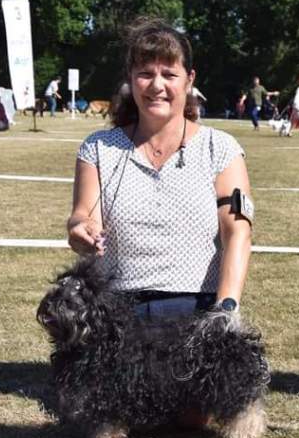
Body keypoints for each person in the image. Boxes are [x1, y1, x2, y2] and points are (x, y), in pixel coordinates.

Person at [66, 17, 253, 319]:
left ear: (189, 79)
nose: (157, 85)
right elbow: (83, 214)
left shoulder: (221, 148)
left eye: (169, 74)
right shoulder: (98, 148)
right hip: (114, 312)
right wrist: (79, 228)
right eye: (145, 74)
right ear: (130, 78)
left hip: (198, 312)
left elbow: (238, 233)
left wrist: (226, 308)